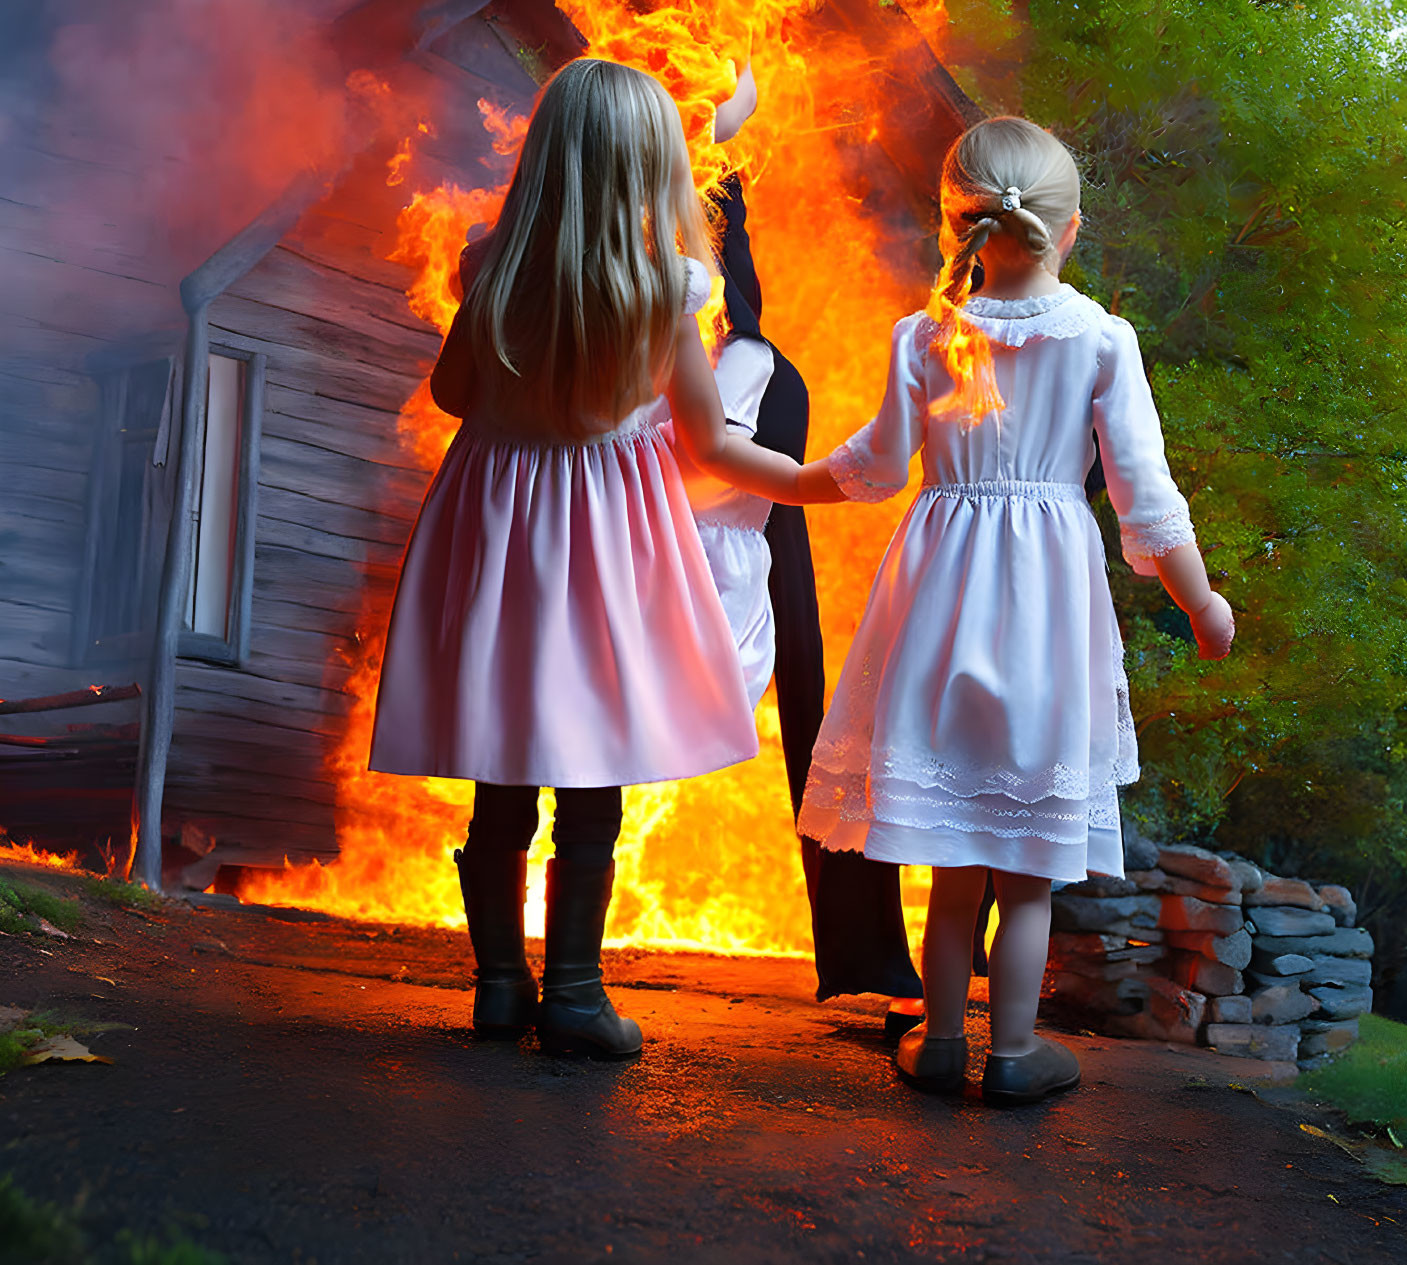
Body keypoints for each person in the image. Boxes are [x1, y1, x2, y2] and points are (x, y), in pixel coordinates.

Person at [367, 58, 812, 1059]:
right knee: (591, 761)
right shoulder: (667, 291)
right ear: (652, 173)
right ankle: (571, 992)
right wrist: (813, 476)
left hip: (494, 531)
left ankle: (496, 984)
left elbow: (449, 393)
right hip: (601, 543)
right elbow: (707, 443)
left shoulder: (488, 267)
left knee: (505, 760)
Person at [796, 116, 1235, 1105]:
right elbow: (1146, 501)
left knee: (956, 855)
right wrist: (1201, 604)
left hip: (940, 597)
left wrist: (779, 478)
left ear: (955, 225)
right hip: (1046, 607)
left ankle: (942, 1041)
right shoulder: (1098, 339)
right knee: (1024, 863)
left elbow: (869, 470)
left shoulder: (925, 334)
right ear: (1068, 230)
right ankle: (1014, 1052)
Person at [682, 157, 926, 1021]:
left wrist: (823, 482)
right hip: (669, 537)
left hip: (719, 549)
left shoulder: (745, 356)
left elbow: (717, 460)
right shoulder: (691, 335)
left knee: (819, 725)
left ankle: (876, 950)